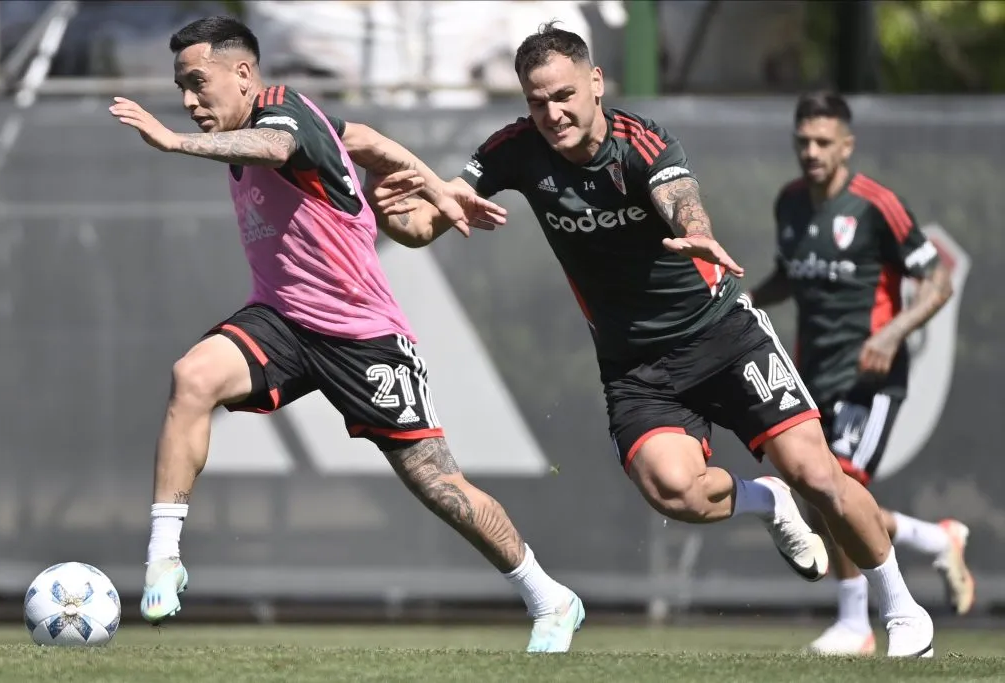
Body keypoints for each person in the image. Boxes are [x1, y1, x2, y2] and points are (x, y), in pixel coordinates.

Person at [365, 22, 935, 657]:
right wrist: (399, 218)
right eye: (536, 101)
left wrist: (695, 230)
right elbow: (432, 220)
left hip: (723, 336)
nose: (552, 114)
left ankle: (904, 612)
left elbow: (679, 195)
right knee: (675, 491)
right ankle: (766, 502)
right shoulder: (514, 149)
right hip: (636, 367)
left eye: (564, 95)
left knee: (819, 476)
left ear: (596, 83)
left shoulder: (640, 141)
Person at [109, 16, 584, 653]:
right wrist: (438, 186)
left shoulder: (281, 113)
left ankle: (549, 596)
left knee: (438, 485)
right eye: (181, 89)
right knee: (192, 377)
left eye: (198, 82)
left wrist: (173, 142)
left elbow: (275, 147)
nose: (190, 100)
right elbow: (359, 137)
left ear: (244, 74)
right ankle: (164, 557)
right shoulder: (285, 122)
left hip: (362, 335)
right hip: (281, 319)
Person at [749, 91, 973, 655]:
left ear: (846, 145)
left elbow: (938, 282)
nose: (812, 151)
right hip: (810, 373)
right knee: (817, 491)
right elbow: (789, 276)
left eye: (823, 142)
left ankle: (857, 622)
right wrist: (742, 301)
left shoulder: (877, 205)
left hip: (870, 378)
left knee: (839, 484)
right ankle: (934, 538)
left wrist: (892, 334)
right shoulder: (789, 203)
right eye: (803, 141)